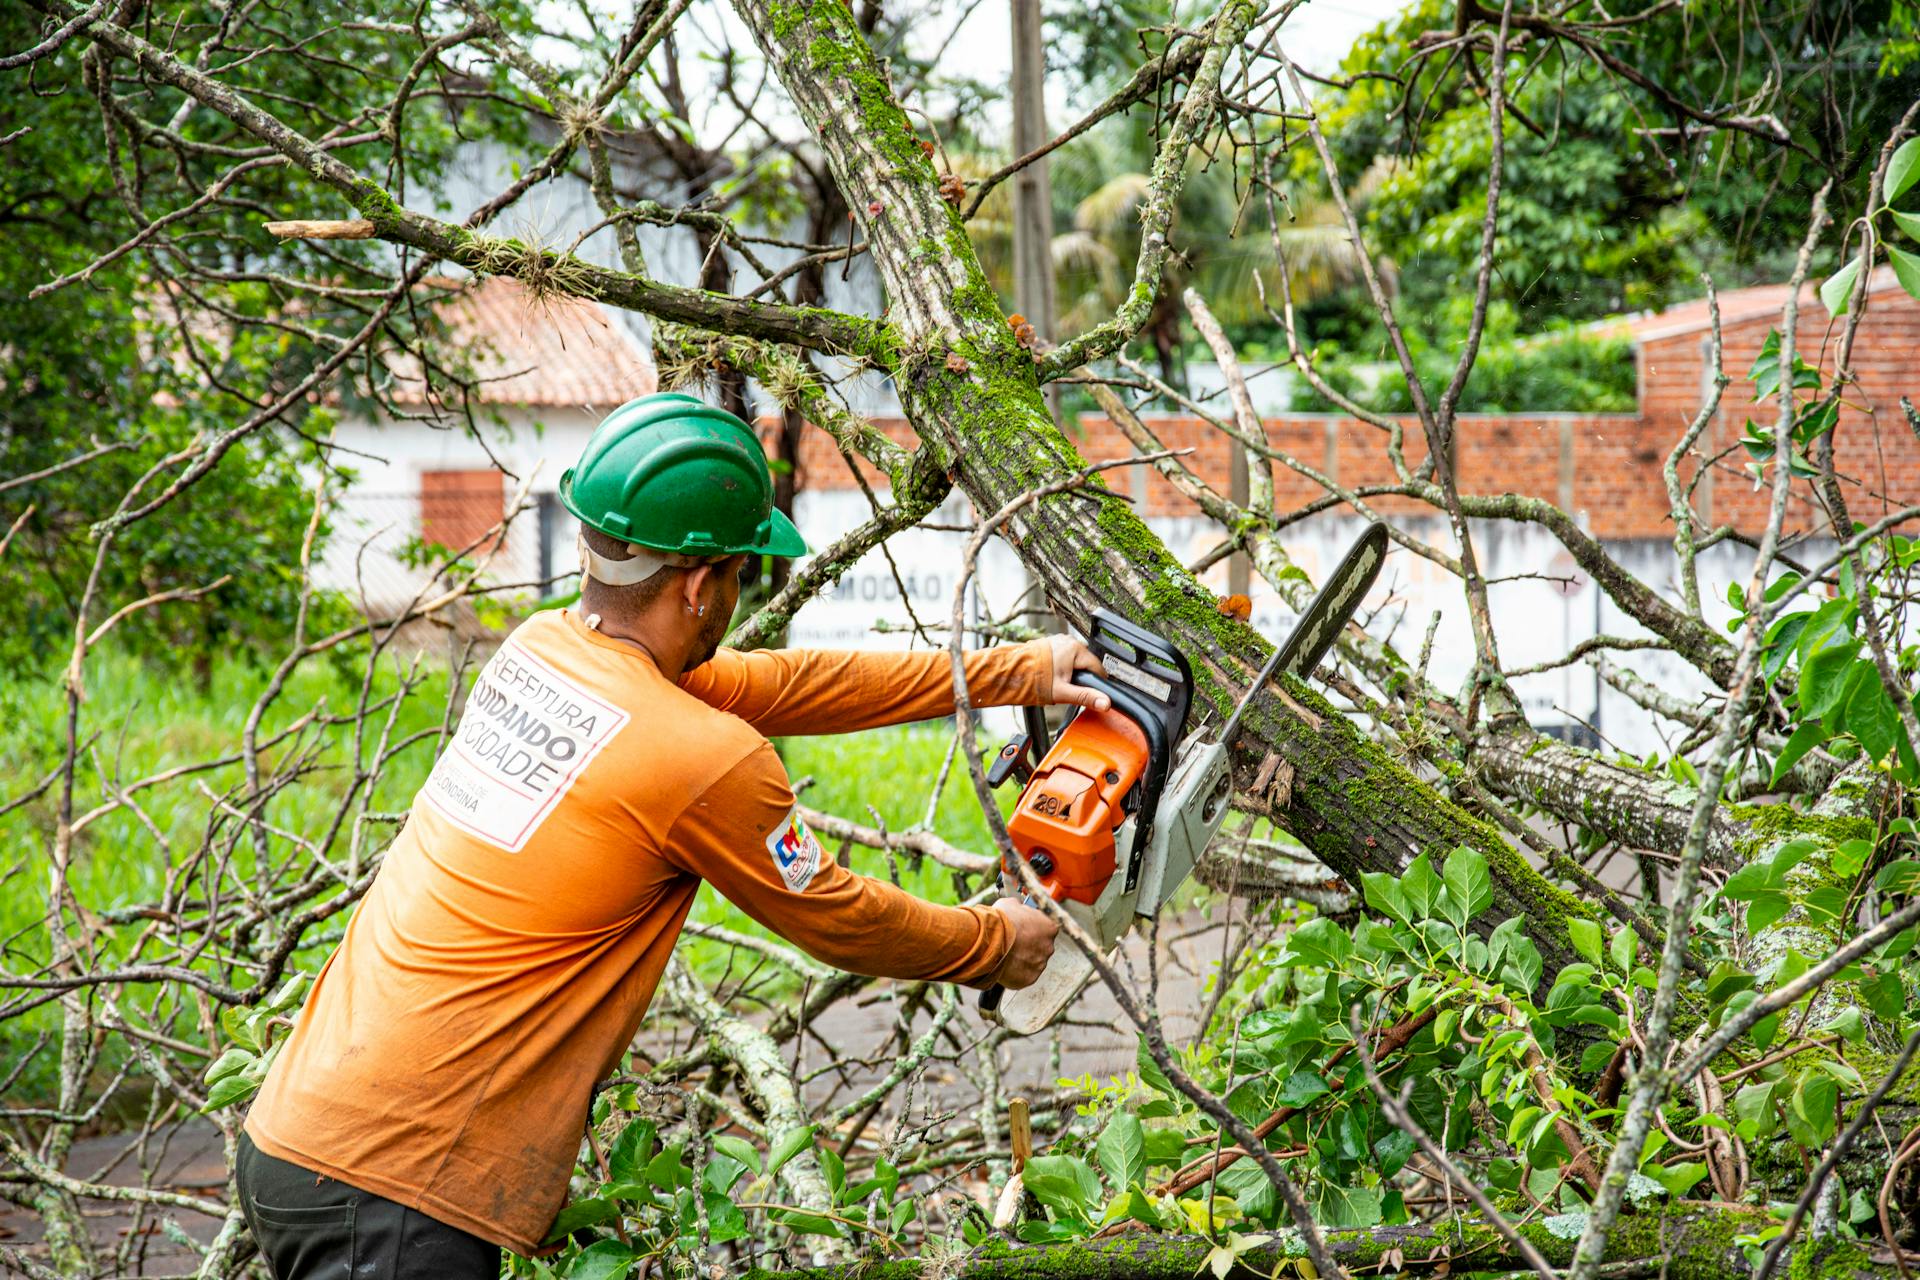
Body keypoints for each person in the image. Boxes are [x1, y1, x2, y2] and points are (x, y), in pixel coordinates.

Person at [236, 393, 1106, 1279]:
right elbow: (834, 915)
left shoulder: (544, 649)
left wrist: (1022, 671)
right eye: (739, 574)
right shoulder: (692, 756)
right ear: (699, 584)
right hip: (392, 1195)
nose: (737, 595)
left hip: (298, 1137)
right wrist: (996, 942)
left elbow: (789, 683)